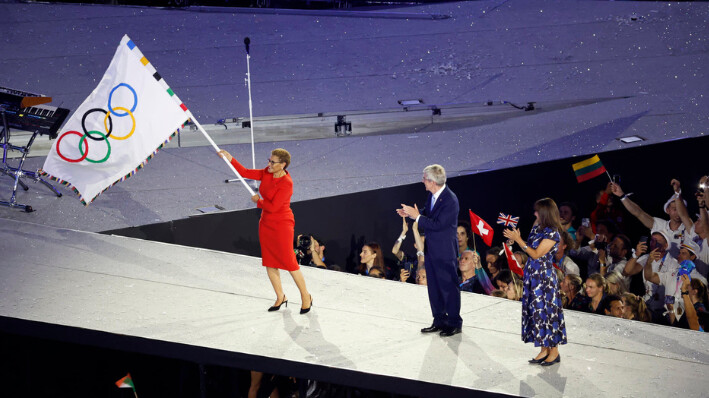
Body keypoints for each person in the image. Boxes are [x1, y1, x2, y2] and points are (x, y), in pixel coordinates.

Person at [218, 149, 312, 314]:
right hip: (266, 223)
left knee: (290, 263)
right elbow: (245, 172)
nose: (269, 164)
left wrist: (258, 201)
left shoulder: (287, 183)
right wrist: (230, 158)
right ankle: (280, 296)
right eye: (269, 160)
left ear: (282, 165)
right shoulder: (267, 172)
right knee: (269, 261)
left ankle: (306, 296)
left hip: (282, 224)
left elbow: (275, 207)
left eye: (273, 162)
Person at [398, 164, 462, 337]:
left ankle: (455, 322)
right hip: (432, 249)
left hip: (445, 251)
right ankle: (439, 320)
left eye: (424, 179)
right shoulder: (432, 196)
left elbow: (438, 224)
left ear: (432, 181)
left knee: (448, 286)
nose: (422, 181)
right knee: (434, 286)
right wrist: (410, 214)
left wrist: (417, 216)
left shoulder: (450, 200)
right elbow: (429, 214)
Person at [503, 197, 567, 366]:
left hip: (544, 279)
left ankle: (554, 352)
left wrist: (518, 240)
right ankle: (543, 349)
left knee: (547, 313)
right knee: (537, 314)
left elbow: (536, 253)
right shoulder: (537, 226)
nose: (534, 213)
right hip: (532, 276)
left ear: (545, 213)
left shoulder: (553, 233)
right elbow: (528, 244)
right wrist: (514, 239)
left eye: (538, 211)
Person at [611, 180, 687, 258]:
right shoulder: (659, 224)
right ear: (668, 210)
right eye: (674, 209)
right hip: (656, 268)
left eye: (680, 209)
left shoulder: (689, 229)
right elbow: (639, 213)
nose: (678, 212)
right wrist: (622, 196)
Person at [393, 218, 425, 284]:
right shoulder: (409, 259)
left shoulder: (430, 261)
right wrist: (403, 232)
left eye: (424, 243)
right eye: (420, 242)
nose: (422, 245)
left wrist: (415, 229)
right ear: (415, 245)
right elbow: (395, 251)